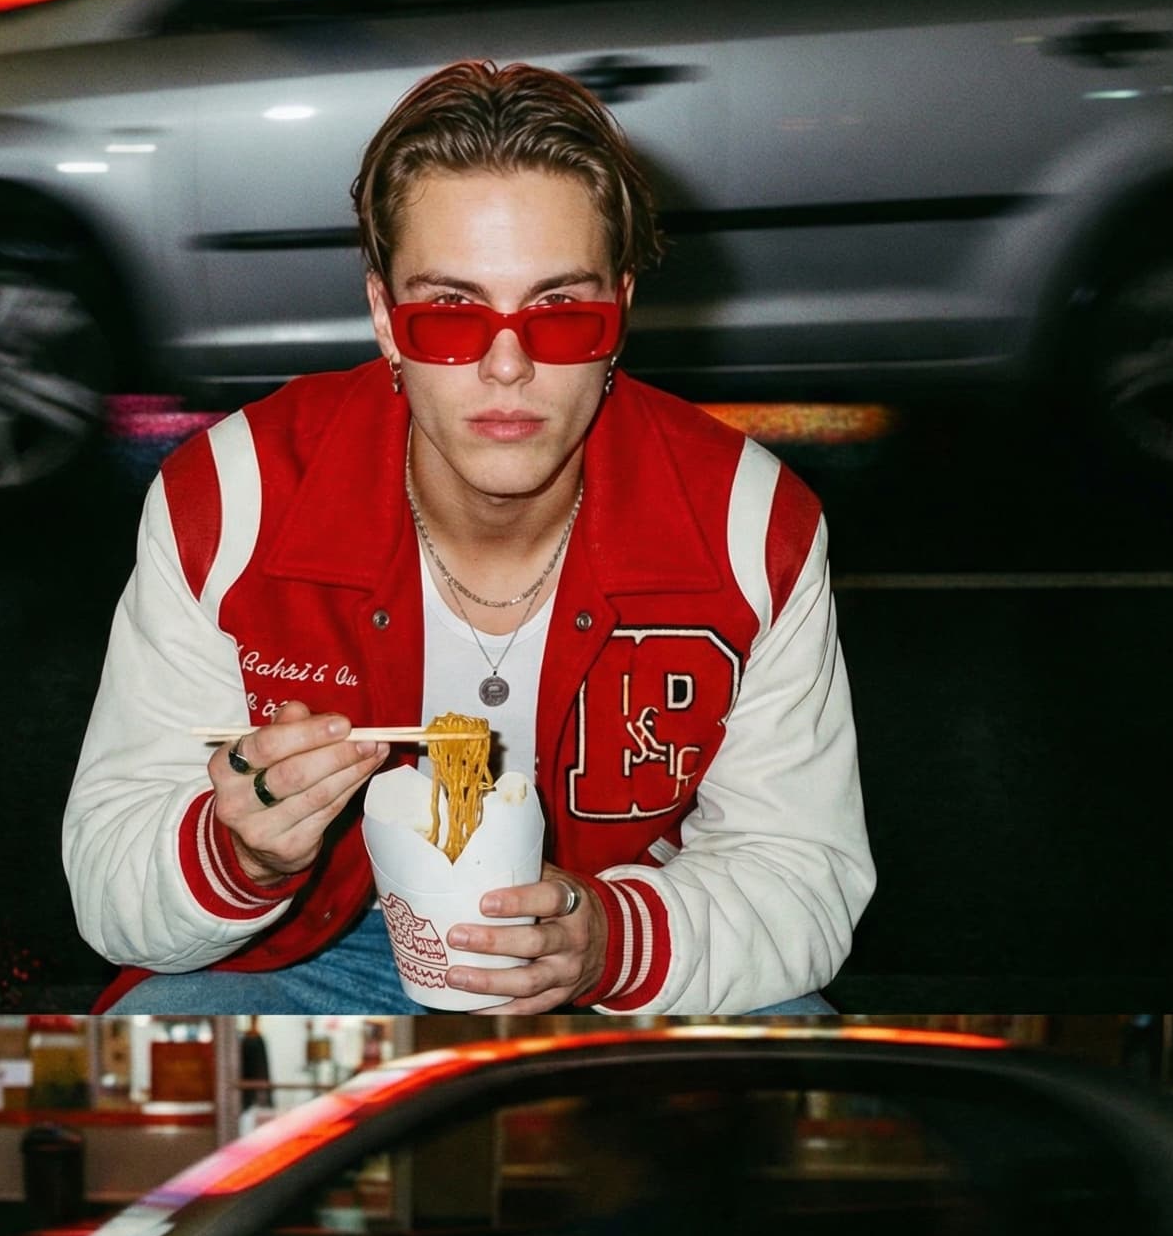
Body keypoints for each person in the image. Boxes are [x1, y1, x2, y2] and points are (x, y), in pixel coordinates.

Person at [63, 61, 873, 1018]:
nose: (507, 364)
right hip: (320, 947)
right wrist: (237, 850)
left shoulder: (749, 522)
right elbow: (111, 894)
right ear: (383, 319)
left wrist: (607, 941)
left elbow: (803, 878)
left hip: (632, 930)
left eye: (562, 313)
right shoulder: (233, 499)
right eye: (448, 314)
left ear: (620, 314)